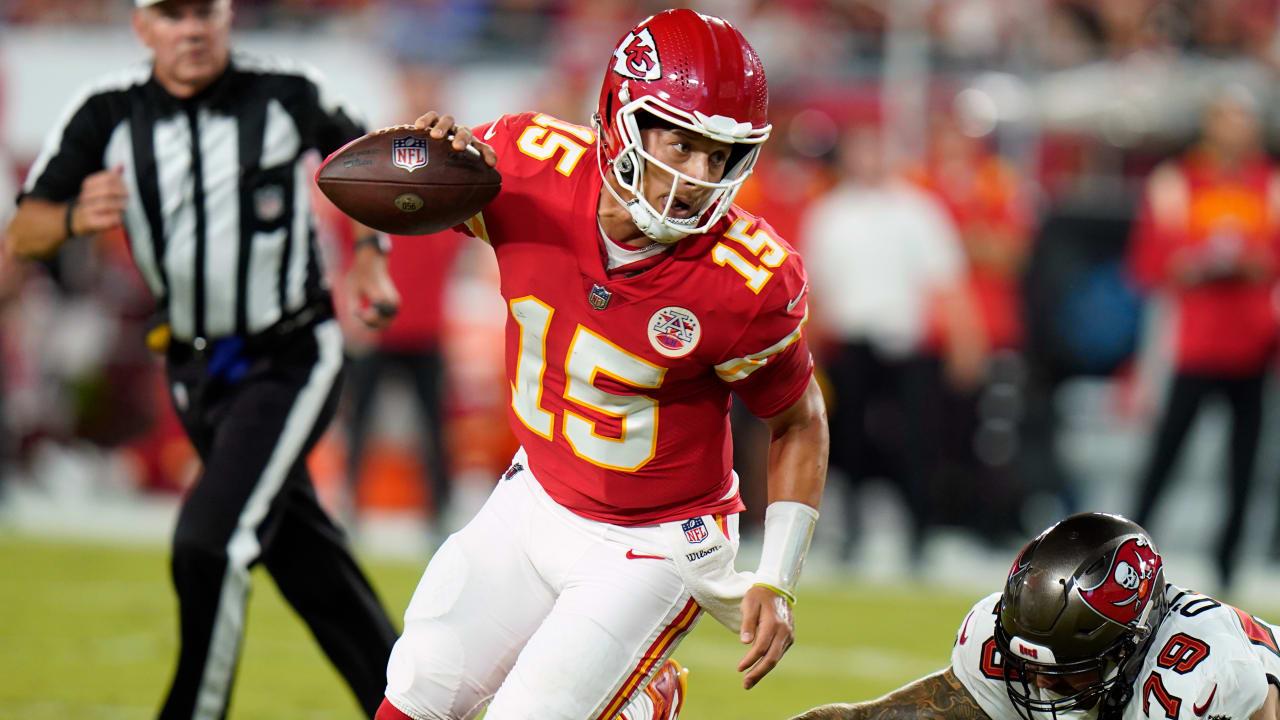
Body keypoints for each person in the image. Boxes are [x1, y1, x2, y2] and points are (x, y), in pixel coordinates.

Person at [365, 9, 829, 720]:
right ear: (622, 117)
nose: (699, 177)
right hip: (536, 495)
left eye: (720, 156)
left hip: (655, 539)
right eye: (682, 144)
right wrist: (416, 154)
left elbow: (799, 421)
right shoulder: (524, 164)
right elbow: (390, 183)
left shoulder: (745, 282)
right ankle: (639, 699)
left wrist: (780, 574)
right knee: (419, 686)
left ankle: (639, 703)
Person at [6, 1, 401, 717]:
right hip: (192, 369)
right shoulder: (107, 110)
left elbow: (375, 165)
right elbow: (25, 232)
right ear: (141, 27)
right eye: (171, 13)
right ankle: (410, 702)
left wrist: (370, 258)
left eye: (204, 11)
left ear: (228, 17)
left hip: (290, 353)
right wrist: (70, 218)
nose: (190, 29)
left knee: (208, 544)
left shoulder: (288, 91)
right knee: (303, 556)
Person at [788, 511, 1280, 720]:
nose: (1042, 686)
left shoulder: (1196, 675)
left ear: (1132, 643)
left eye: (1068, 669)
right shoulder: (1003, 636)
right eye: (1034, 668)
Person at [801, 123, 984, 565]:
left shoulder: (917, 209)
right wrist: (808, 353)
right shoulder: (829, 213)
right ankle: (852, 531)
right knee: (848, 442)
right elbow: (815, 289)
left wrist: (965, 338)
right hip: (850, 344)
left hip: (905, 344)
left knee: (917, 441)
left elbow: (946, 281)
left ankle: (919, 532)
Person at [1126, 86, 1280, 591]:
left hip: (1253, 348)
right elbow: (1149, 263)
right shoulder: (1177, 182)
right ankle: (1124, 559)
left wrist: (1254, 264)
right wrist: (1194, 264)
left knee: (1244, 466)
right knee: (1164, 457)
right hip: (1193, 346)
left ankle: (1230, 568)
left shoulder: (1270, 183)